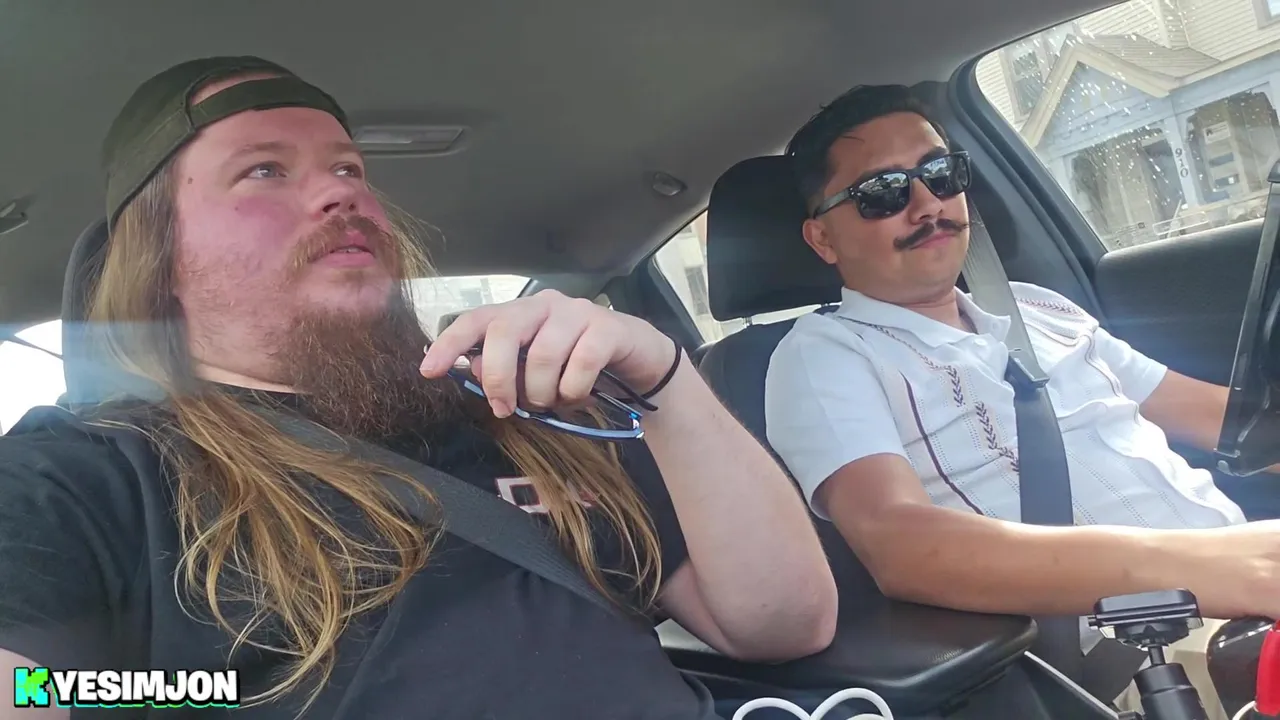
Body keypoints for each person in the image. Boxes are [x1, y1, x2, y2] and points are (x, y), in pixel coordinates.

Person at [0, 56, 839, 720]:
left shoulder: (525, 409)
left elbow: (784, 625)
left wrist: (665, 380)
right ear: (161, 255)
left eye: (349, 167)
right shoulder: (84, 472)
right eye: (263, 171)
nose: (341, 190)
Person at [763, 84, 1278, 718]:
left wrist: (1244, 560)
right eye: (882, 192)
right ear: (822, 238)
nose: (927, 204)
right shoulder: (825, 354)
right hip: (1143, 653)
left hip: (1249, 582)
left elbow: (1231, 423)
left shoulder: (1040, 308)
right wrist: (1212, 568)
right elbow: (901, 545)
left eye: (941, 174)